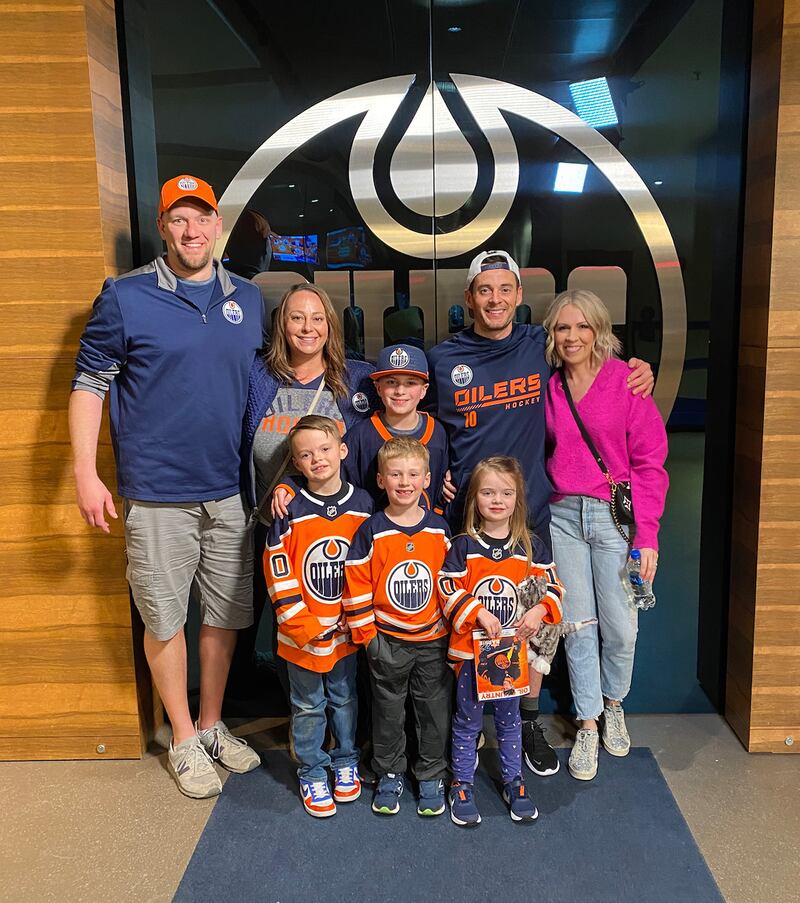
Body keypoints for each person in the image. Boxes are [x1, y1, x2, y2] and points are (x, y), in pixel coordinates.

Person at [426, 249, 655, 777]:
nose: (495, 300)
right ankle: (471, 721)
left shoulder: (540, 346)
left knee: (531, 623)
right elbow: (420, 417)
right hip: (469, 518)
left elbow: (591, 358)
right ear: (469, 299)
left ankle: (525, 721)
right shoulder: (443, 359)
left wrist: (638, 369)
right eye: (485, 290)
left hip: (532, 517)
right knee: (474, 619)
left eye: (504, 289)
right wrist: (437, 472)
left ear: (519, 297)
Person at [70, 174, 263, 799]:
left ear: (217, 225)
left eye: (202, 218)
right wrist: (85, 472)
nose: (192, 231)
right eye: (179, 219)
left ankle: (211, 725)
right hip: (156, 494)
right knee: (164, 620)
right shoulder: (126, 297)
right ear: (163, 227)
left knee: (223, 618)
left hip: (229, 491)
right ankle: (181, 737)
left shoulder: (249, 300)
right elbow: (89, 384)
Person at [542, 289, 668, 781]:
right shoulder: (550, 387)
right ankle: (588, 722)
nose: (572, 337)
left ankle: (615, 703)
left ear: (599, 330)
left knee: (621, 626)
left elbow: (650, 465)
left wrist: (648, 534)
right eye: (562, 328)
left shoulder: (627, 382)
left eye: (581, 326)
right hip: (563, 517)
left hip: (614, 519)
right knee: (577, 626)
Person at [239, 283, 377, 700]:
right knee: (285, 621)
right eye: (296, 317)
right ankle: (294, 717)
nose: (307, 327)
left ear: (331, 326)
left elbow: (371, 448)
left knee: (339, 621)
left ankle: (349, 725)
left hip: (336, 531)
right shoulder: (258, 378)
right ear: (281, 325)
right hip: (273, 525)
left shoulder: (357, 380)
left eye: (317, 318)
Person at [439, 457, 564, 827]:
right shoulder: (462, 546)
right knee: (467, 721)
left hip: (511, 657)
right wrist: (477, 611)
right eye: (488, 492)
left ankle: (514, 780)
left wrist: (540, 611)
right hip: (469, 655)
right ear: (474, 497)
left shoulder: (531, 547)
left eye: (506, 493)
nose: (497, 500)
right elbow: (447, 587)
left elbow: (555, 589)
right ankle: (461, 782)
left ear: (518, 499)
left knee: (509, 722)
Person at [264, 416, 373, 817]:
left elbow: (371, 567)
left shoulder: (363, 505)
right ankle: (312, 770)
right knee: (308, 705)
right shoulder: (289, 509)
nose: (317, 459)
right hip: (302, 638)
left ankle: (346, 761)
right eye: (306, 454)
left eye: (325, 449)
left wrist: (356, 616)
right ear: (295, 464)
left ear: (342, 451)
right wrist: (303, 625)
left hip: (346, 631)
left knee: (345, 698)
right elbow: (278, 570)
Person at [344, 437, 452, 817]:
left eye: (412, 474)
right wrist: (369, 638)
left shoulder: (440, 530)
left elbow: (451, 585)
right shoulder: (371, 531)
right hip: (386, 641)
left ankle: (431, 774)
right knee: (388, 713)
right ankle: (389, 772)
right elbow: (355, 584)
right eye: (395, 474)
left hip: (432, 643)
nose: (404, 482)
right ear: (380, 479)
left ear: (427, 479)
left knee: (433, 712)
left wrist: (452, 634)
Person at [342, 343, 449, 511]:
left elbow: (439, 490)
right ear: (378, 387)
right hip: (374, 532)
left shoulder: (438, 432)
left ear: (424, 390)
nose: (400, 391)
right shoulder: (359, 436)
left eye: (410, 383)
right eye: (391, 382)